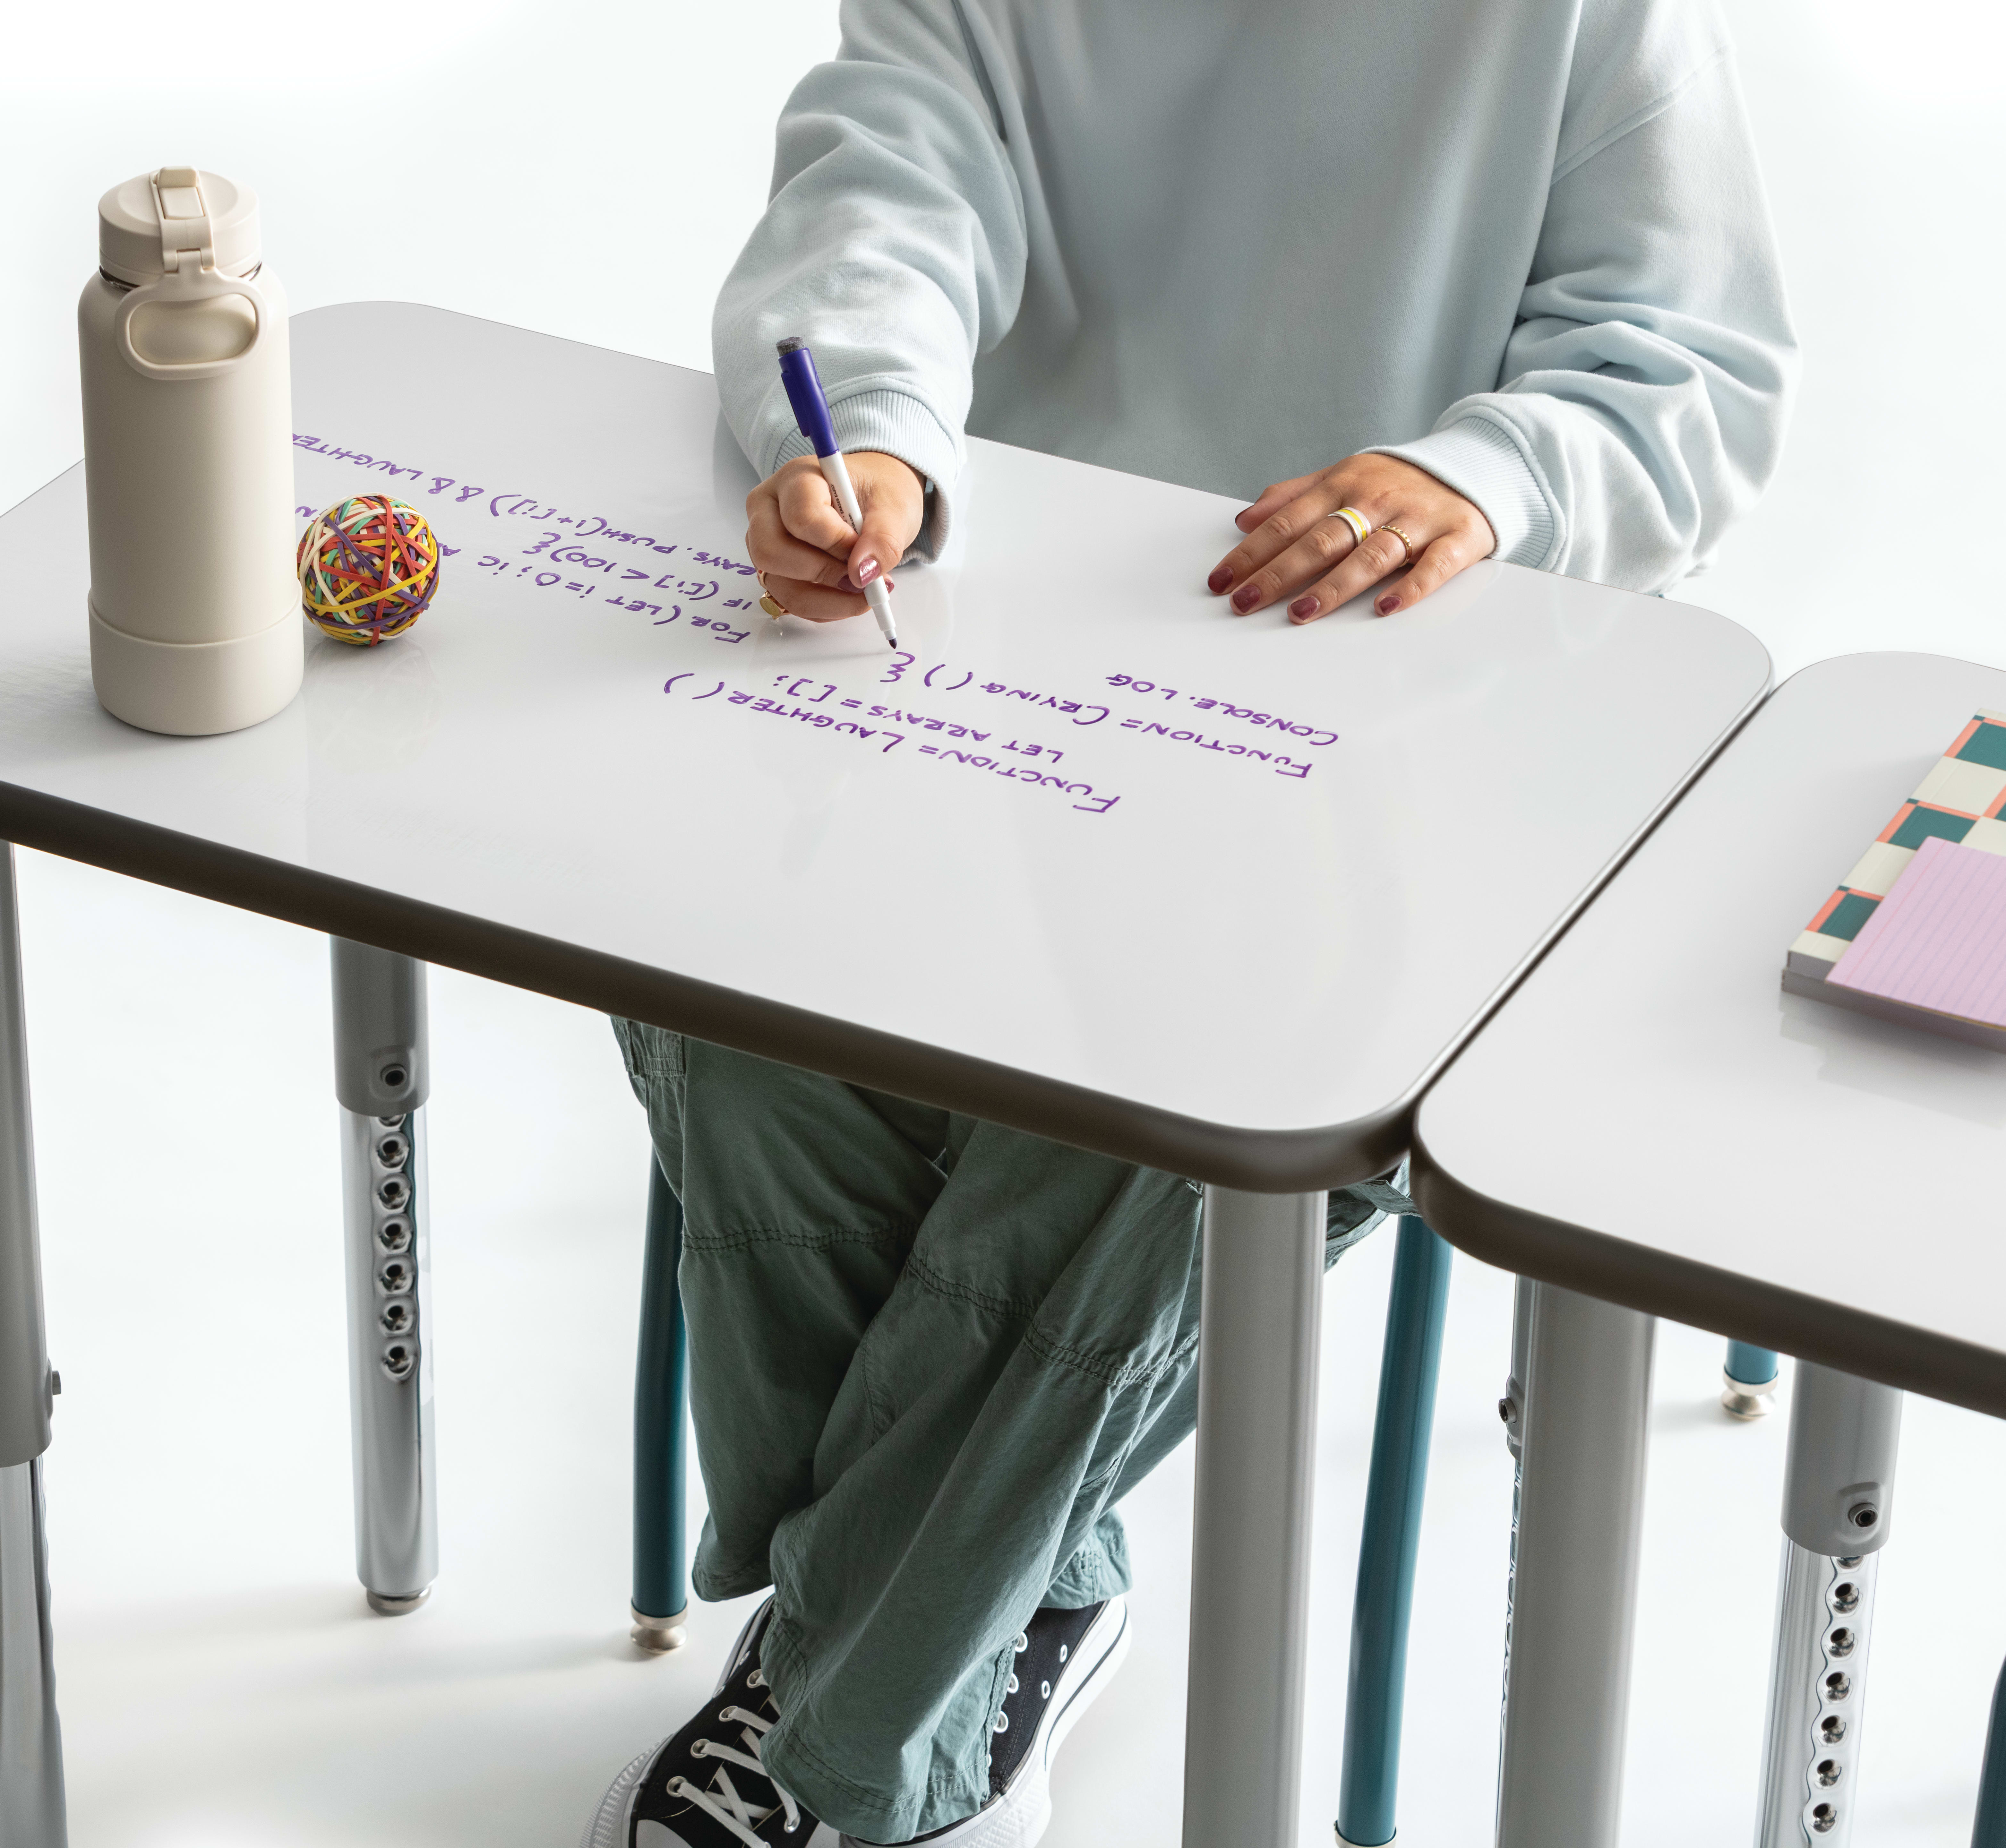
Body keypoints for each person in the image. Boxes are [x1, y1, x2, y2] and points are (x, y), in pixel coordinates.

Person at [592, 2, 1794, 1843]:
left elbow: (1684, 372)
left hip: (1403, 742)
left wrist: (1480, 476)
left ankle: (845, 1725)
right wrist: (880, 441)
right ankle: (992, 1593)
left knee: (1165, 1140)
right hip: (1006, 681)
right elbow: (886, 194)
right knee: (727, 1008)